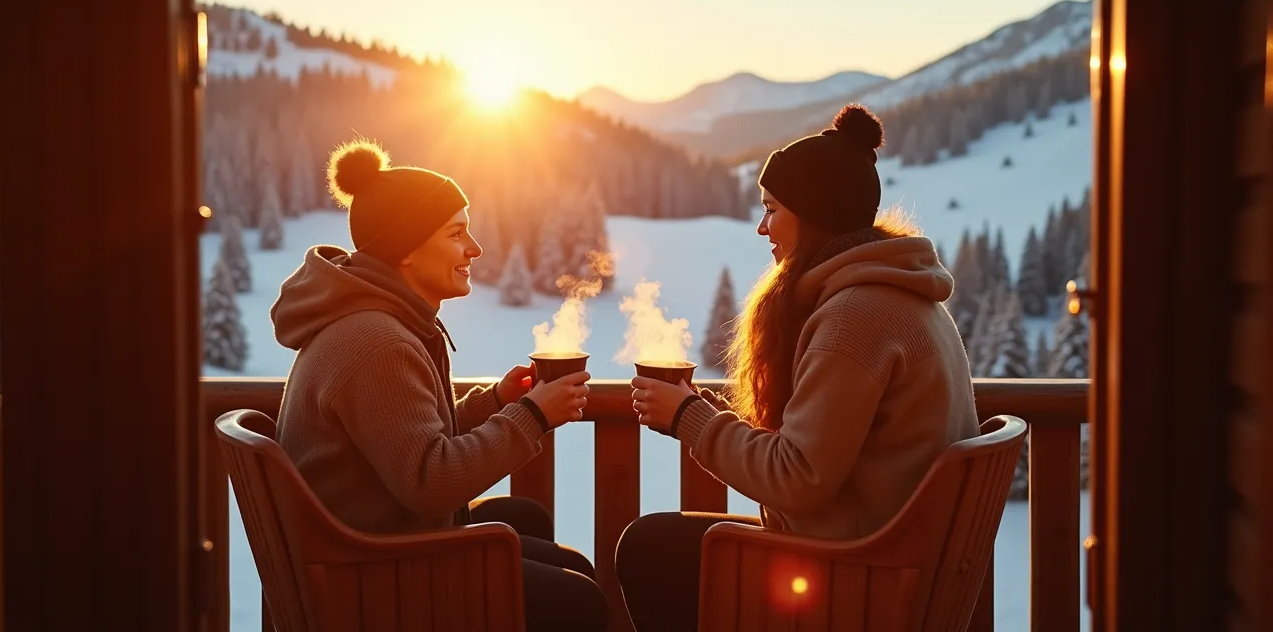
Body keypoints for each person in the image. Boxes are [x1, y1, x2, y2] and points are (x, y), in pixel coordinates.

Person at [616, 105, 981, 631]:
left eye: (771, 209)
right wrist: (701, 409)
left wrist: (687, 419)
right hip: (893, 559)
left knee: (650, 548)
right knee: (665, 542)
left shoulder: (858, 316)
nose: (763, 228)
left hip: (856, 578)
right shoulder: (905, 297)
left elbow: (798, 476)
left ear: (813, 215)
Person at [272, 138, 607, 631]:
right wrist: (533, 415)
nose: (475, 249)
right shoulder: (374, 342)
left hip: (367, 553)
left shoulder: (378, 323)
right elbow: (430, 483)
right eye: (456, 234)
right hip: (372, 579)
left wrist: (495, 402)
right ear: (406, 249)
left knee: (530, 525)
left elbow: (408, 440)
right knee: (578, 599)